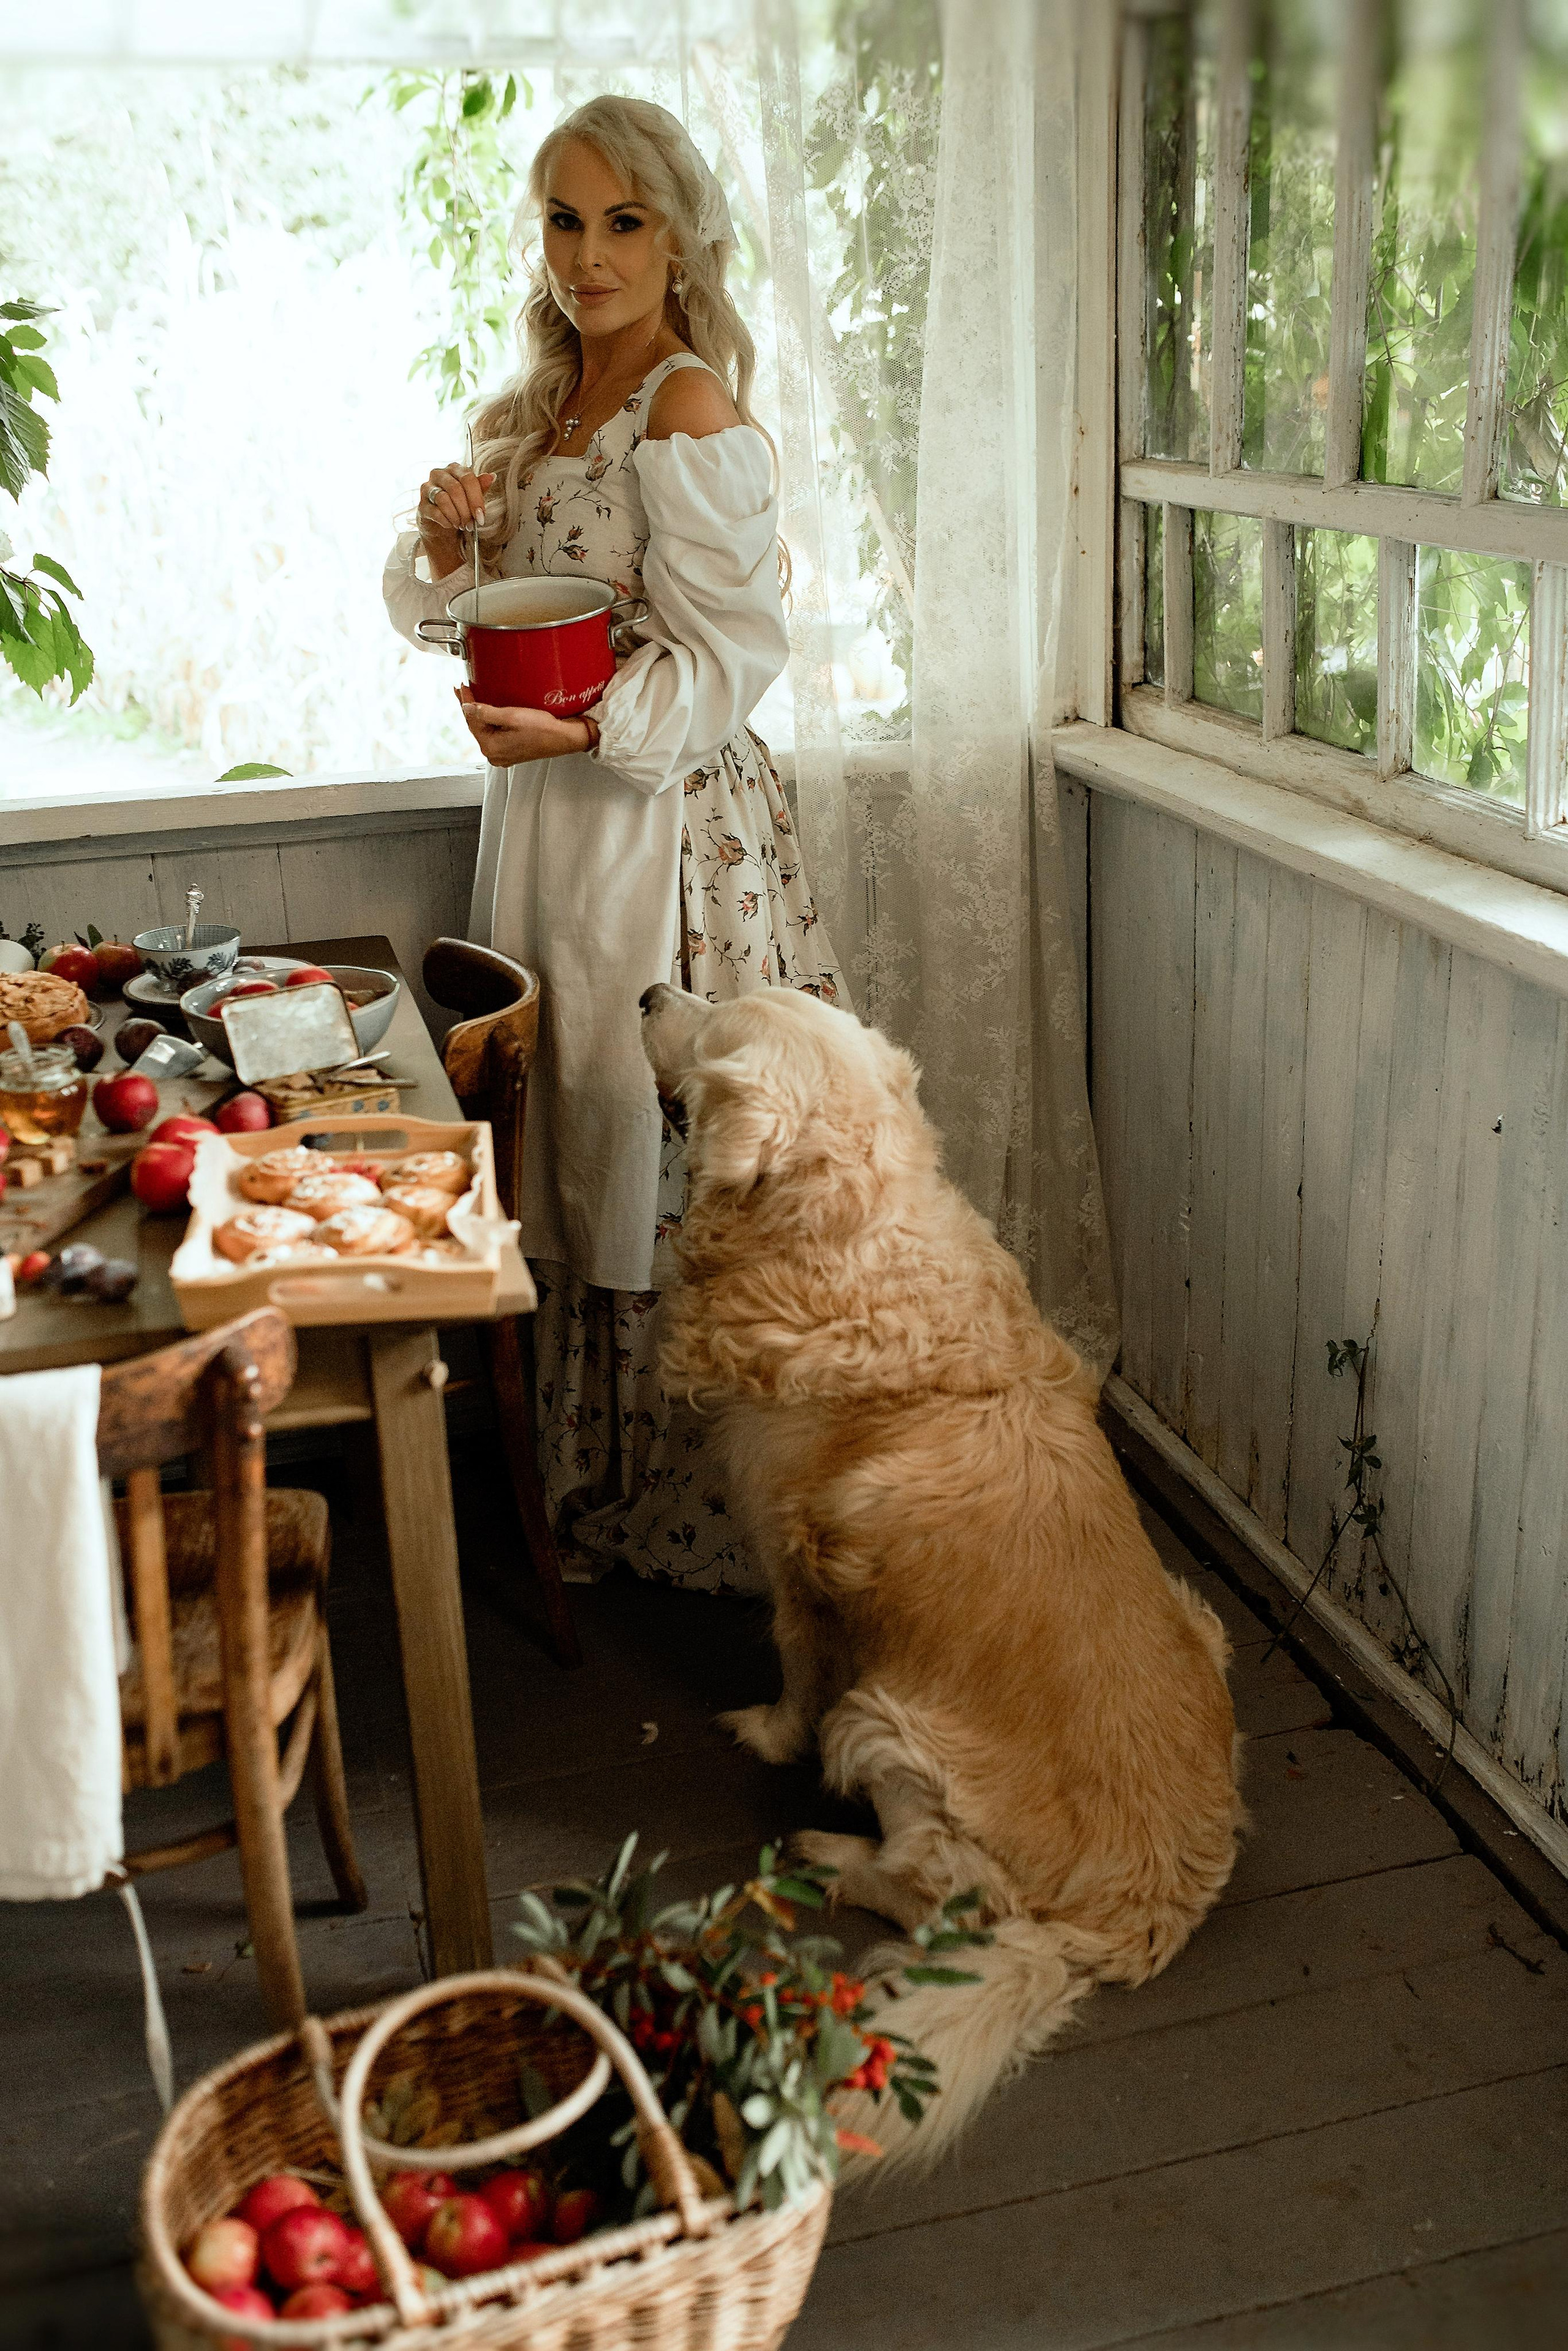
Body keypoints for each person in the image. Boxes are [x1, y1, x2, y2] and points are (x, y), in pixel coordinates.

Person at [384, 94, 844, 1594]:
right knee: (566, 1110)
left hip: (659, 820)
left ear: (678, 238)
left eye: (623, 223)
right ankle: (572, 1478)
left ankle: (681, 1492)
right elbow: (471, 619)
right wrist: (451, 542)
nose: (589, 256)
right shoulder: (540, 411)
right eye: (565, 221)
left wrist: (581, 738)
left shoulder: (686, 411)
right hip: (545, 818)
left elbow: (732, 660)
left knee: (641, 1122)